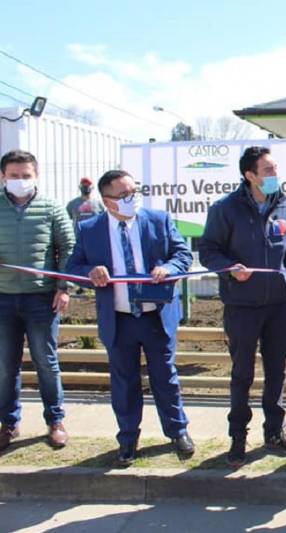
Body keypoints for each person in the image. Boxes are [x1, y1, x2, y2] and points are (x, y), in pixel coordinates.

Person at [66, 170, 193, 465]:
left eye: (134, 192)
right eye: (124, 195)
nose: (131, 199)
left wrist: (170, 269)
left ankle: (178, 431)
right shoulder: (90, 228)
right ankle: (127, 438)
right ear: (107, 201)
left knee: (166, 377)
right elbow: (74, 265)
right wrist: (90, 273)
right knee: (124, 380)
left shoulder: (158, 220)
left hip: (155, 316)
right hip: (119, 318)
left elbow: (182, 255)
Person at [198, 146, 286, 467]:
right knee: (242, 373)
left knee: (277, 371)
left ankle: (274, 430)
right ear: (250, 175)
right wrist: (230, 267)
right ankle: (238, 435)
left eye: (275, 169)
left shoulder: (285, 206)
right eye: (268, 170)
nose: (275, 176)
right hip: (241, 306)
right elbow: (208, 251)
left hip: (276, 307)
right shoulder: (226, 209)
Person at [0, 150, 74, 452]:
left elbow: (67, 247)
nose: (20, 181)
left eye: (25, 175)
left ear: (36, 175)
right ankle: (8, 423)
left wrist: (63, 286)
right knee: (6, 366)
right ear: (3, 176)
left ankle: (55, 421)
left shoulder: (52, 207)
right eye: (14, 175)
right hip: (3, 299)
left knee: (46, 362)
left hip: (42, 299)